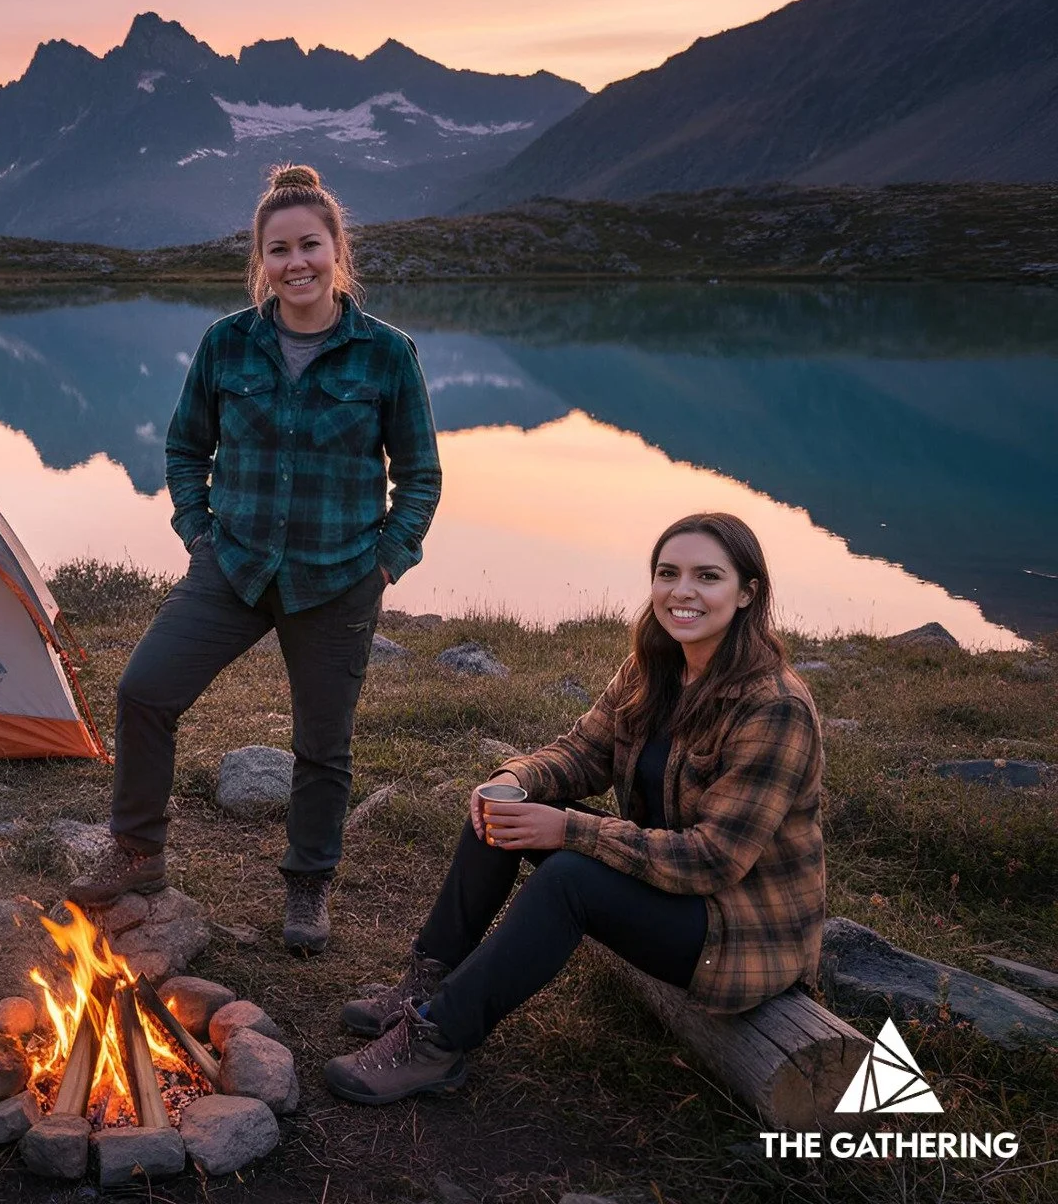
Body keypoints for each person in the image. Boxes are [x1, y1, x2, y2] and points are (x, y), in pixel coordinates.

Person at [323, 512, 826, 1104]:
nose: (681, 591)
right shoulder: (655, 668)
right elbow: (581, 753)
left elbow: (713, 860)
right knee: (501, 813)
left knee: (569, 880)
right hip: (663, 881)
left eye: (707, 577)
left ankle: (436, 1040)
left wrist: (569, 831)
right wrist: (512, 779)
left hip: (736, 929)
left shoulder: (774, 706)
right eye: (668, 573)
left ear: (747, 593)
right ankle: (425, 980)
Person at [67, 164, 442, 955]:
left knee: (323, 746)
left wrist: (385, 562)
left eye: (311, 244)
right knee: (144, 692)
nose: (296, 262)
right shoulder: (226, 344)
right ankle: (138, 851)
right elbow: (183, 448)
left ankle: (307, 886)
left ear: (337, 251)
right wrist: (198, 532)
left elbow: (419, 476)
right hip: (231, 566)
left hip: (338, 576)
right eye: (279, 250)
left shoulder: (386, 356)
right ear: (261, 260)